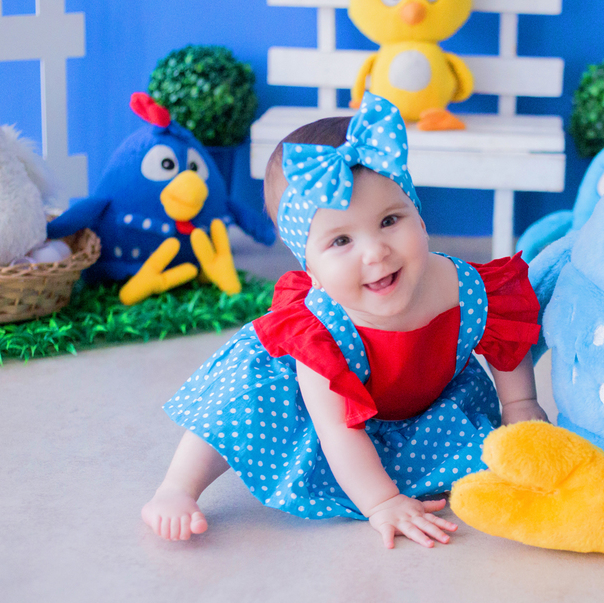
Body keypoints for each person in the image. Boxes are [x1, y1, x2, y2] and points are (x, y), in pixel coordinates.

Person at [142, 93, 546, 548]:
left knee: (488, 452)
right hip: (314, 411)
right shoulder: (320, 335)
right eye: (340, 241)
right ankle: (177, 488)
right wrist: (383, 502)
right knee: (238, 409)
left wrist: (519, 403)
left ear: (419, 216)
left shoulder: (462, 285)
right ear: (310, 269)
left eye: (390, 220)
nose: (375, 252)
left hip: (418, 399)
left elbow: (505, 342)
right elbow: (338, 430)